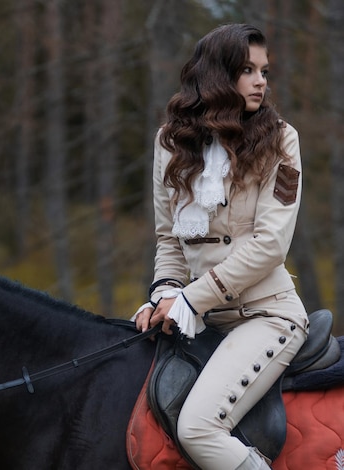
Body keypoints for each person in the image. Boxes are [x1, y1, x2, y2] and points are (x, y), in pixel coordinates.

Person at [133, 24, 308, 470]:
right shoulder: (168, 143)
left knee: (198, 427)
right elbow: (169, 239)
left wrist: (192, 298)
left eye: (263, 70)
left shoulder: (281, 139)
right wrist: (166, 293)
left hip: (266, 315)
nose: (261, 81)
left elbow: (270, 246)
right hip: (201, 317)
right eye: (246, 70)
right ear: (215, 75)